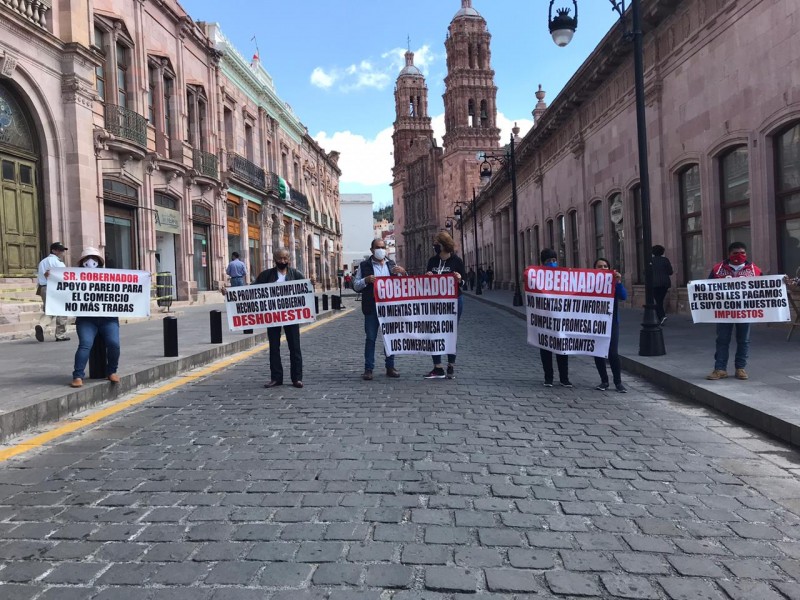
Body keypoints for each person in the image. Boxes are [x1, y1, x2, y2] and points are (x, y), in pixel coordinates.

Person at [706, 242, 762, 381]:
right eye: (735, 253)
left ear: (746, 254)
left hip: (745, 311)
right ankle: (720, 369)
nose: (739, 256)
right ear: (729, 254)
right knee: (722, 340)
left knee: (744, 340)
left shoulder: (755, 270)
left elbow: (764, 287)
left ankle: (740, 368)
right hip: (724, 312)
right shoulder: (717, 269)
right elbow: (706, 287)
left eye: (742, 253)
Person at [353, 238, 407, 380]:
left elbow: (403, 286)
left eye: (383, 247)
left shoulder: (392, 265)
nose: (380, 250)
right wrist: (366, 280)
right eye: (378, 247)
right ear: (372, 250)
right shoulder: (364, 266)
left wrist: (403, 273)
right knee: (370, 338)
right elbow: (355, 285)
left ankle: (390, 366)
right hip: (372, 307)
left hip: (389, 308)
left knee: (389, 338)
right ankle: (368, 369)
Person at [70, 247, 121, 388]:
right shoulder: (75, 276)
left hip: (108, 318)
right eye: (87, 258)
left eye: (94, 258)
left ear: (99, 261)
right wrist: (51, 276)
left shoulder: (109, 276)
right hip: (86, 319)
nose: (91, 261)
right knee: (85, 344)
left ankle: (112, 371)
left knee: (114, 344)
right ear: (82, 262)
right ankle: (78, 375)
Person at [257, 248, 305, 389]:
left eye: (285, 258)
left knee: (295, 347)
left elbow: (306, 290)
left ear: (289, 259)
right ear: (275, 259)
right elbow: (251, 290)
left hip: (291, 316)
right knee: (274, 347)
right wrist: (229, 292)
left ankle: (297, 378)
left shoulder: (296, 274)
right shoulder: (266, 275)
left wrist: (311, 284)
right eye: (279, 258)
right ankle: (276, 378)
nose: (282, 261)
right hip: (273, 316)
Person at [423, 232, 465, 379]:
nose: (435, 245)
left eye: (436, 243)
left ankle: (451, 365)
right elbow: (424, 284)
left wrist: (459, 279)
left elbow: (463, 282)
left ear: (443, 244)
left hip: (454, 300)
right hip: (434, 302)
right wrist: (427, 277)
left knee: (450, 331)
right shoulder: (432, 261)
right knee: (434, 332)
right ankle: (437, 367)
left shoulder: (457, 261)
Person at [593, 258, 628, 393]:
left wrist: (618, 282)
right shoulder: (589, 283)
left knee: (613, 353)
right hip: (594, 322)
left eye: (605, 266)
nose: (603, 269)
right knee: (598, 352)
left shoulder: (613, 282)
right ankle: (604, 381)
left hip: (612, 321)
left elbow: (623, 296)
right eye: (599, 266)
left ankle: (618, 382)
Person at [539, 248, 571, 387]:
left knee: (562, 348)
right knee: (545, 348)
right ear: (543, 263)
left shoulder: (565, 276)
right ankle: (548, 377)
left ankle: (564, 378)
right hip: (545, 319)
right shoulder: (538, 277)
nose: (552, 263)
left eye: (554, 260)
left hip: (561, 318)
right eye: (548, 261)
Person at [35, 241, 71, 342]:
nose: (62, 252)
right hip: (55, 287)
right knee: (61, 310)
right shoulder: (58, 262)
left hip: (43, 288)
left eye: (62, 250)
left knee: (50, 310)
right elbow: (64, 276)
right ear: (53, 250)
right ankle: (60, 334)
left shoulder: (42, 262)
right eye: (60, 250)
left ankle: (41, 325)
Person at [651, 245, 673, 325]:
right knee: (659, 300)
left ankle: (662, 317)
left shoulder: (651, 261)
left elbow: (645, 272)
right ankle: (661, 317)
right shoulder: (665, 260)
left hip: (654, 284)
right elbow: (670, 272)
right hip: (665, 283)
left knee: (658, 301)